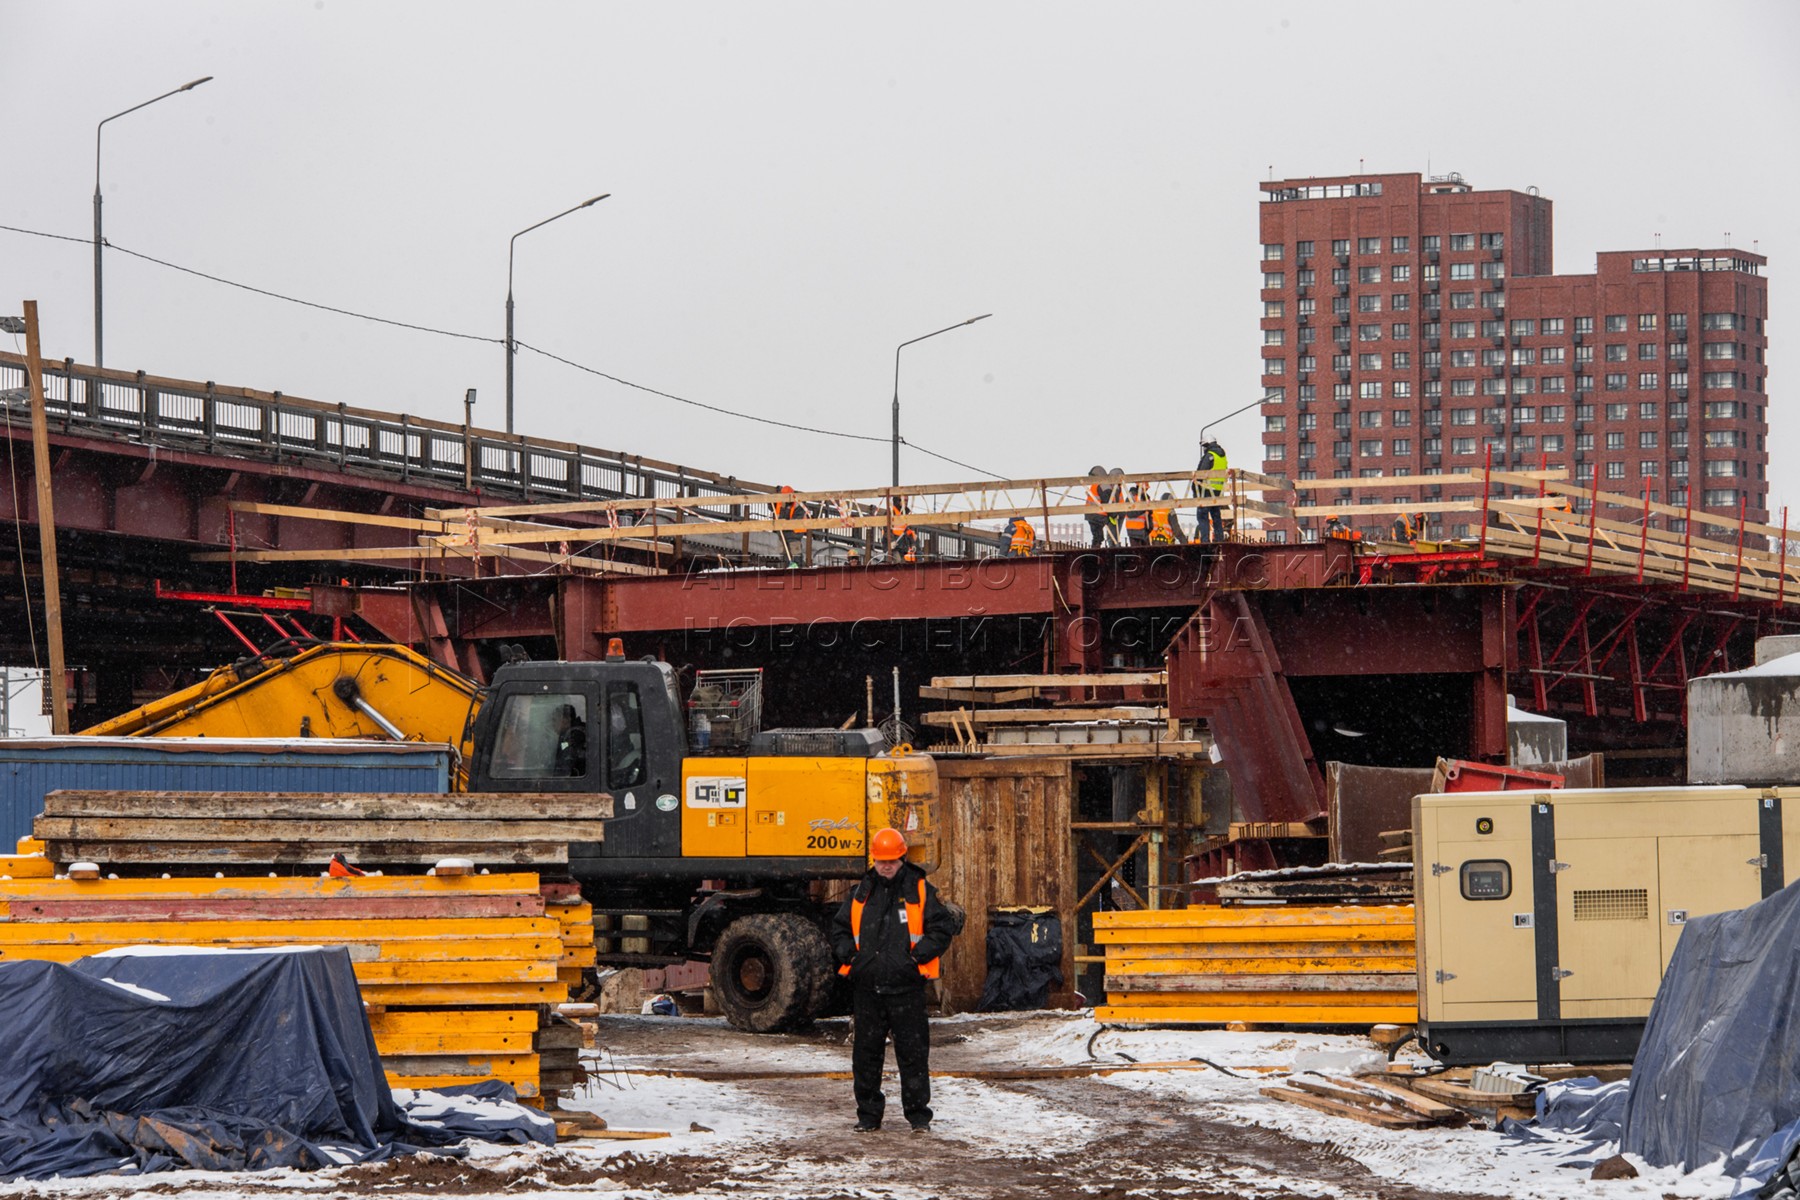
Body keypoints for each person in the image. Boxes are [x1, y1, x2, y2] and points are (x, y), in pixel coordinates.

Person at [831, 828, 958, 1134]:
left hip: (907, 990)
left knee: (913, 1056)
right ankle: (868, 1116)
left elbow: (941, 928)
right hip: (868, 991)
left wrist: (915, 960)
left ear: (902, 857)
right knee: (865, 1057)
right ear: (874, 859)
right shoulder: (861, 892)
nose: (886, 866)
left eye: (891, 861)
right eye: (881, 861)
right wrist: (852, 958)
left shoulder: (920, 889)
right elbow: (839, 930)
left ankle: (918, 1117)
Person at [1194, 439, 1229, 542]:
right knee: (1216, 515)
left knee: (1202, 515)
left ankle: (1205, 541)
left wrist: (1196, 487)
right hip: (1218, 491)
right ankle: (1219, 539)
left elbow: (1201, 472)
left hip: (1207, 489)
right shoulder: (1222, 456)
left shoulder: (1210, 455)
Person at [551, 702, 586, 776]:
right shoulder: (570, 734)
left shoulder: (576, 734)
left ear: (566, 720)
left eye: (555, 719)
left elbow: (568, 745)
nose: (553, 724)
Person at [1084, 466, 1112, 548]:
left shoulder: (1095, 486)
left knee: (1097, 536)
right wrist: (1111, 513)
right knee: (1098, 536)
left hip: (1091, 515)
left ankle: (1095, 548)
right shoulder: (1102, 485)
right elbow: (1106, 500)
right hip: (1097, 515)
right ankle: (1095, 549)